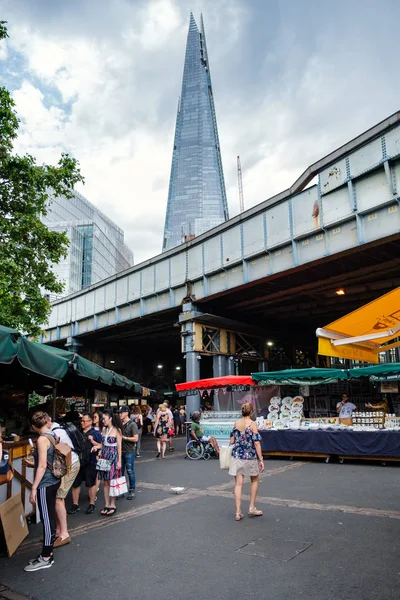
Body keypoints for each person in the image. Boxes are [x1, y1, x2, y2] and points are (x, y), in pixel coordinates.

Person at [24, 411, 61, 572]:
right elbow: (47, 461)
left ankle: (46, 557)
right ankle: (48, 552)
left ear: (33, 426)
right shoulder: (52, 435)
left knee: (47, 519)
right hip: (54, 480)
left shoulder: (41, 439)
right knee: (50, 517)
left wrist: (33, 487)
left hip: (45, 483)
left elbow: (42, 465)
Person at [44, 414, 80, 548]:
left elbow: (57, 454)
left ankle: (64, 534)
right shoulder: (57, 430)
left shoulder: (55, 433)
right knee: (58, 498)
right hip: (68, 464)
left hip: (70, 464)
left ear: (47, 422)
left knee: (59, 498)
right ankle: (58, 532)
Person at [229, 402, 264, 521]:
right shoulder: (253, 424)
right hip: (250, 456)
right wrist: (261, 459)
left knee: (238, 483)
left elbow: (232, 441)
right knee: (254, 480)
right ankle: (252, 507)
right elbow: (257, 443)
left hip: (237, 456)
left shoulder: (236, 423)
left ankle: (238, 512)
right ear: (251, 412)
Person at [68, 412, 102, 515]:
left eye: (84, 421)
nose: (82, 422)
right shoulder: (78, 433)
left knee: (91, 483)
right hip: (78, 462)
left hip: (91, 461)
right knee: (76, 483)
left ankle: (91, 504)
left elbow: (101, 445)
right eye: (81, 421)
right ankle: (75, 504)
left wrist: (92, 442)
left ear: (90, 422)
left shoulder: (96, 434)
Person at [93, 409, 122, 516]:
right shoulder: (104, 430)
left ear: (110, 419)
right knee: (105, 482)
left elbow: (119, 447)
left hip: (113, 456)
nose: (102, 420)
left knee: (112, 481)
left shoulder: (117, 430)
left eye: (104, 418)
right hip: (105, 456)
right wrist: (96, 447)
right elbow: (102, 444)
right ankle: (106, 504)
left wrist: (119, 461)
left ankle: (112, 504)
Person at [119, 406, 139, 500]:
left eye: (121, 412)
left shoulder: (132, 424)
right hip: (120, 451)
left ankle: (131, 490)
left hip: (129, 451)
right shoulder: (119, 424)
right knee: (120, 472)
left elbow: (136, 438)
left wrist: (124, 438)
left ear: (126, 413)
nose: (120, 414)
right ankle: (122, 491)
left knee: (130, 471)